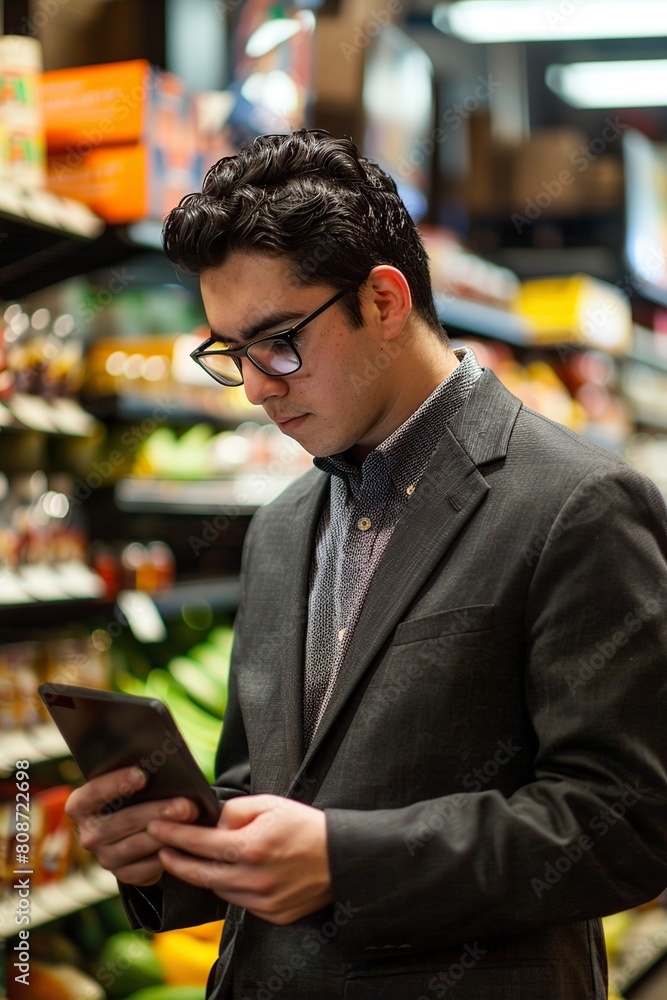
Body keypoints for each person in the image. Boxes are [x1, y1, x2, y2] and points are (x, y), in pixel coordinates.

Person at [66, 129, 667, 1000]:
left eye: (278, 341)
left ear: (383, 300)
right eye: (230, 353)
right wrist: (168, 851)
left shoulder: (575, 503)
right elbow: (262, 788)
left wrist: (347, 864)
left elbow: (629, 823)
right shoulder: (280, 527)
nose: (259, 385)